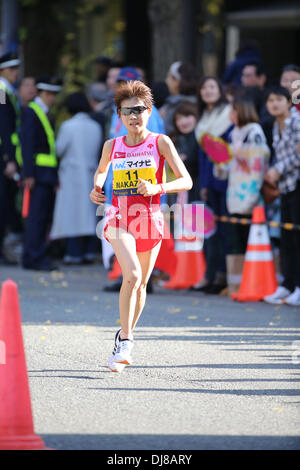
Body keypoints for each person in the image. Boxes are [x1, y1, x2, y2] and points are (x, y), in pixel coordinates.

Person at [89, 80, 193, 372]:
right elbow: (100, 172)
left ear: (149, 111)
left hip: (150, 219)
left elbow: (186, 180)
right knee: (131, 275)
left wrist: (156, 187)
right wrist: (96, 188)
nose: (134, 116)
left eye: (139, 109)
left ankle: (123, 336)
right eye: (127, 111)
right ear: (119, 116)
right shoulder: (112, 145)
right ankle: (126, 342)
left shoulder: (161, 142)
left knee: (143, 283)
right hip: (119, 217)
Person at [50, 92, 102, 264]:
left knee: (72, 215)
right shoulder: (95, 126)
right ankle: (88, 252)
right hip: (91, 173)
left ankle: (73, 253)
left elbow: (59, 149)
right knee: (88, 215)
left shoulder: (68, 126)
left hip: (71, 175)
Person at [193, 76, 234, 293]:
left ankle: (226, 276)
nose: (207, 91)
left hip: (229, 180)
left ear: (220, 89)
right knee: (211, 231)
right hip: (209, 180)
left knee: (227, 229)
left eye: (212, 86)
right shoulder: (203, 119)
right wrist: (204, 184)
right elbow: (203, 157)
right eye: (204, 88)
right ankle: (213, 274)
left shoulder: (229, 114)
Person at [217, 97, 270, 253]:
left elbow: (258, 166)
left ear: (241, 111)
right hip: (235, 195)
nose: (230, 114)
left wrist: (252, 195)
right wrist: (221, 168)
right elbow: (233, 164)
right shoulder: (234, 134)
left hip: (251, 195)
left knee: (252, 240)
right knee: (238, 241)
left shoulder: (254, 132)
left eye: (232, 110)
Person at [21, 75, 62, 271]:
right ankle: (35, 256)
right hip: (37, 174)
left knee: (40, 217)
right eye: (51, 94)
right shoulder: (32, 112)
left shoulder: (42, 112)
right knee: (37, 218)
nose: (53, 99)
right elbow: (27, 144)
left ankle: (32, 256)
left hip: (45, 174)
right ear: (44, 93)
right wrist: (28, 174)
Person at [263, 85, 300, 306]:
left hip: (296, 183)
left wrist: (278, 168)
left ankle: (297, 286)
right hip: (285, 186)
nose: (274, 104)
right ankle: (287, 284)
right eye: (270, 101)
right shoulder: (274, 125)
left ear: (288, 102)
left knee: (296, 236)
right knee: (286, 238)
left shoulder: (296, 121)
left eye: (278, 99)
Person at [0, 51, 22, 265]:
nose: (16, 73)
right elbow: (5, 128)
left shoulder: (5, 91)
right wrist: (9, 159)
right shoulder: (2, 92)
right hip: (3, 155)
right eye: (11, 70)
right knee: (3, 202)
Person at [171, 101, 199, 204]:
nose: (183, 122)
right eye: (178, 119)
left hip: (199, 190)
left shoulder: (202, 137)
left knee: (197, 219)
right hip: (181, 194)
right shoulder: (174, 141)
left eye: (187, 116)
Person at [159, 61, 198, 136]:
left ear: (177, 81)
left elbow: (168, 131)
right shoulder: (196, 101)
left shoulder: (177, 105)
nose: (166, 80)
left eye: (169, 77)